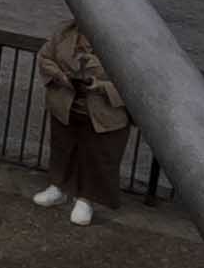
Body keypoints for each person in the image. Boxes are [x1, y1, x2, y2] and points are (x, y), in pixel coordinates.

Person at [34, 19, 132, 227]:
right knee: (62, 148)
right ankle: (58, 188)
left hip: (104, 111)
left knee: (98, 156)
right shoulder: (65, 30)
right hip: (68, 103)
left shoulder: (124, 40)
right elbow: (45, 57)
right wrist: (60, 75)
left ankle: (86, 200)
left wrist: (101, 87)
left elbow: (136, 82)